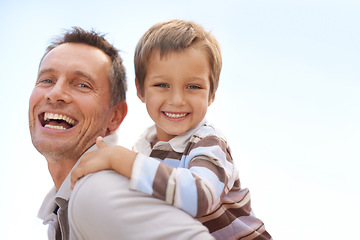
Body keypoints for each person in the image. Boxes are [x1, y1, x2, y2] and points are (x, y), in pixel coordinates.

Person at [71, 20, 272, 240]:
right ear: (140, 90)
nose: (177, 100)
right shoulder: (143, 149)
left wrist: (121, 160)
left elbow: (201, 197)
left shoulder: (208, 141)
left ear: (212, 93)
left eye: (193, 87)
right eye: (162, 85)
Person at [29, 27, 215, 240]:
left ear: (115, 116)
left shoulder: (98, 192)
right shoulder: (66, 205)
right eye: (47, 80)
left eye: (82, 84)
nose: (55, 94)